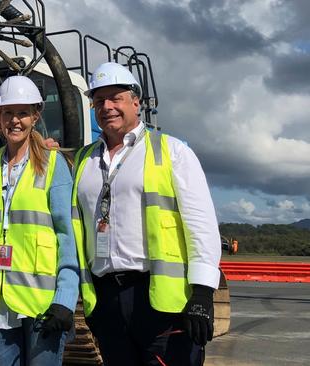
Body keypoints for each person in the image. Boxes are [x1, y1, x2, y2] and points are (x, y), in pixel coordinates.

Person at [71, 62, 222, 365]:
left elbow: (201, 225)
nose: (107, 107)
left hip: (160, 301)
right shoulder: (84, 159)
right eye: (99, 101)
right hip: (106, 299)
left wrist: (203, 295)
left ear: (136, 102)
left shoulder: (172, 151)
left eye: (116, 98)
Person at [0, 75, 79, 365]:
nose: (15, 120)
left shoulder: (52, 163)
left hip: (42, 304)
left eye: (22, 113)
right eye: (7, 112)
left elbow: (67, 235)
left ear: (35, 116)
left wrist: (65, 298)